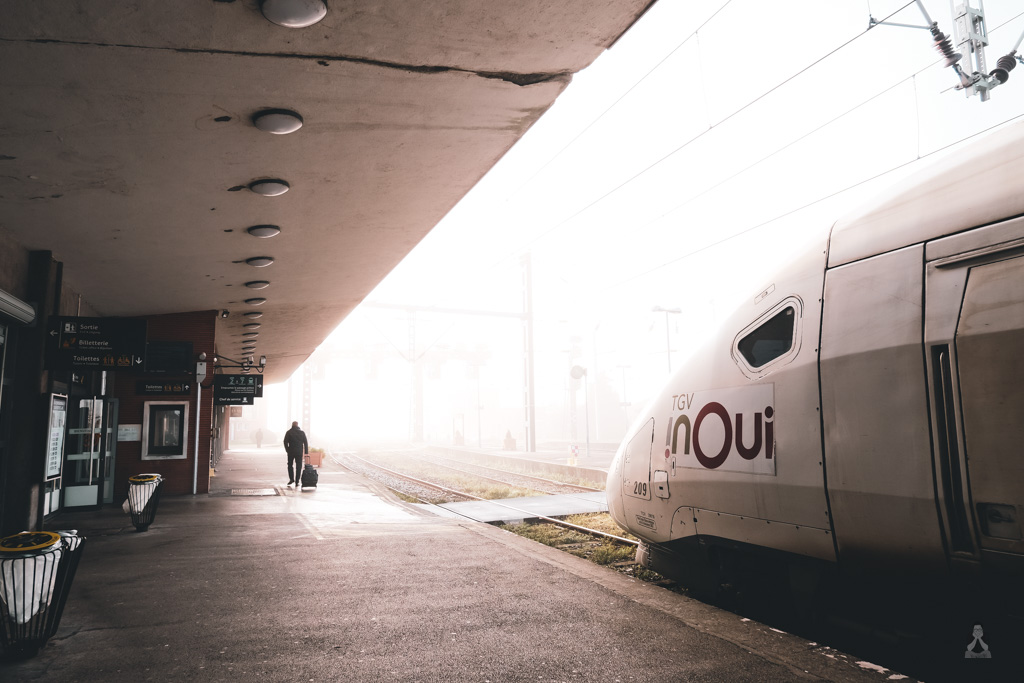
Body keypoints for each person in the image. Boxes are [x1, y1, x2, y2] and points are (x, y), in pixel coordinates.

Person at [282, 421, 308, 486]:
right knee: (299, 466)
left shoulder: (289, 432)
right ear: (297, 425)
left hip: (291, 451)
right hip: (299, 452)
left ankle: (291, 479)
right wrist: (306, 452)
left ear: (292, 425)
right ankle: (297, 481)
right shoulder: (302, 433)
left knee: (290, 465)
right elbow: (305, 442)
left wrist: (287, 450)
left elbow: (285, 442)